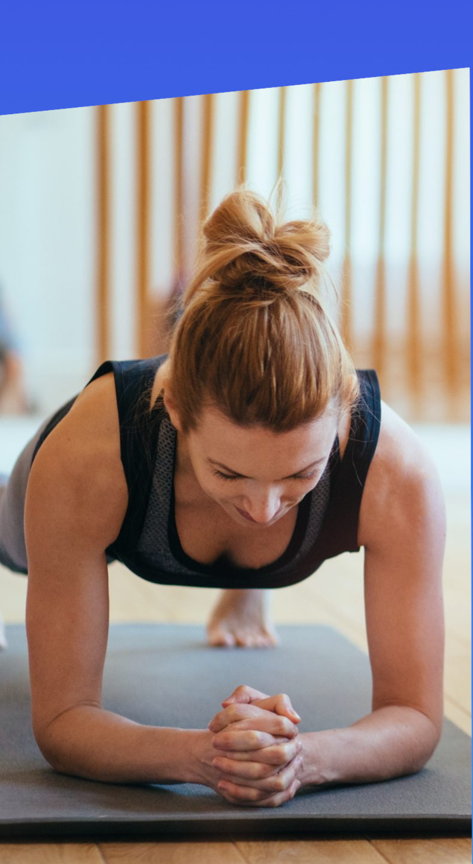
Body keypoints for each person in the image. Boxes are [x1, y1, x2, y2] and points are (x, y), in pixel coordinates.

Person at [0, 187, 445, 807]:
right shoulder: (87, 459)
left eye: (301, 474)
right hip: (72, 486)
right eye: (230, 473)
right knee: (12, 543)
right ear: (175, 408)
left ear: (343, 416)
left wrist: (302, 760)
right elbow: (62, 719)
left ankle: (246, 578)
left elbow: (415, 716)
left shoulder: (399, 475)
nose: (264, 509)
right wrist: (206, 757)